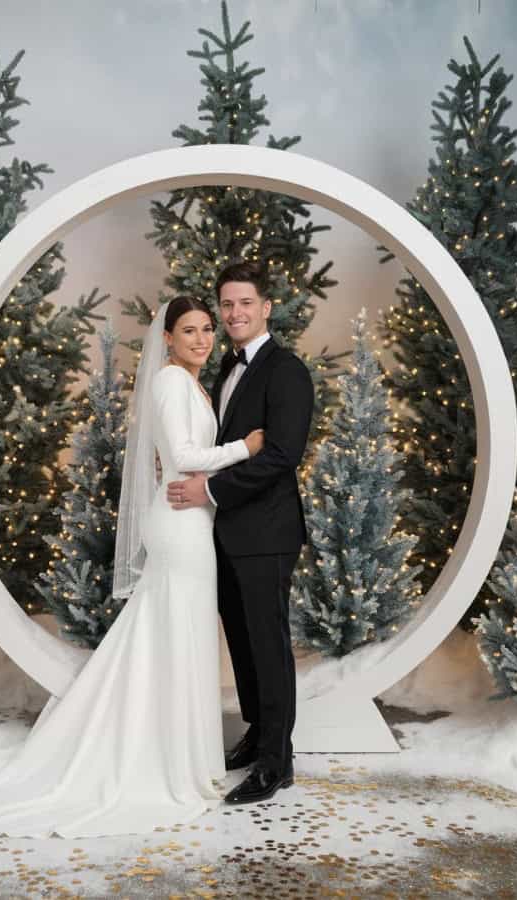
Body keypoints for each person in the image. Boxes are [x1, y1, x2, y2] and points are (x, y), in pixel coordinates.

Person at [0, 296, 265, 838]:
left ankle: (183, 757)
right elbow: (185, 457)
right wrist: (245, 446)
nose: (201, 339)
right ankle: (166, 762)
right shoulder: (169, 383)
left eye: (207, 329)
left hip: (195, 521)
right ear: (167, 338)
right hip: (179, 525)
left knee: (178, 634)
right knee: (175, 630)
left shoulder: (192, 384)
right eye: (188, 331)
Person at [167, 260, 315, 805]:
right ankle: (257, 737)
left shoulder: (287, 370)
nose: (234, 314)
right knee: (244, 646)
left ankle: (278, 762)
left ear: (266, 307)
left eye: (244, 303)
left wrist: (210, 492)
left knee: (269, 648)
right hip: (226, 534)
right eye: (226, 304)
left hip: (267, 533)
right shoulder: (223, 366)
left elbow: (281, 454)